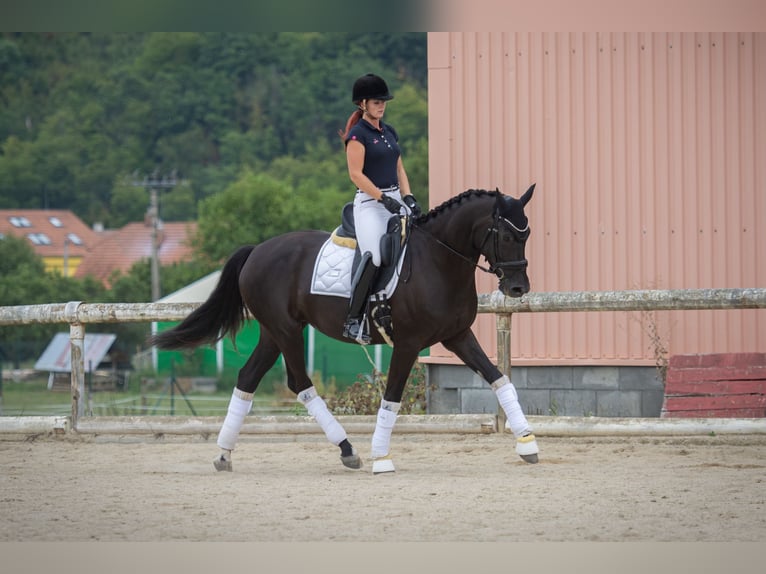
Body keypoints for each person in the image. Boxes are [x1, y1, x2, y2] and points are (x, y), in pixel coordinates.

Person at [338, 73, 422, 344]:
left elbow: (399, 167)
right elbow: (355, 174)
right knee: (374, 255)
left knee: (421, 242)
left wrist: (408, 197)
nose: (382, 106)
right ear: (362, 104)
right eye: (377, 102)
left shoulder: (389, 132)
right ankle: (354, 319)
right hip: (369, 203)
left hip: (395, 198)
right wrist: (382, 198)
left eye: (383, 101)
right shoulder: (357, 136)